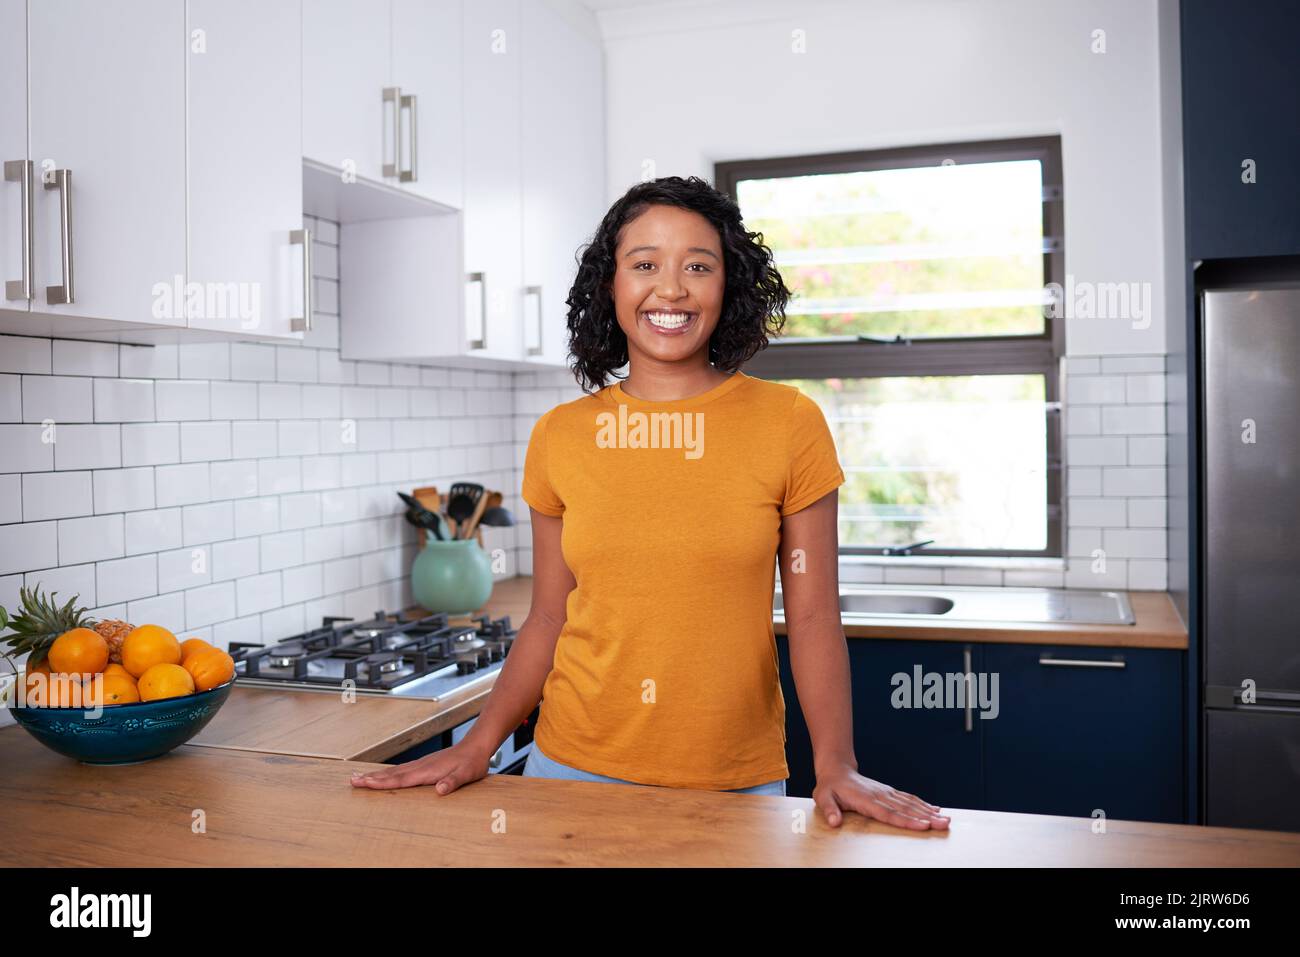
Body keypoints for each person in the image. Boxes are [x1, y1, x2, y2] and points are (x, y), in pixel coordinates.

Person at [352, 175, 950, 831]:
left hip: (734, 782)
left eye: (699, 265)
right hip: (568, 772)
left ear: (729, 285)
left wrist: (836, 764)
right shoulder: (560, 435)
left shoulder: (789, 424)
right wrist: (479, 742)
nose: (672, 288)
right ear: (611, 285)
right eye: (645, 265)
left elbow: (813, 616)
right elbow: (549, 615)